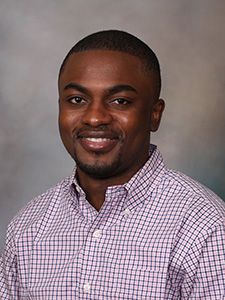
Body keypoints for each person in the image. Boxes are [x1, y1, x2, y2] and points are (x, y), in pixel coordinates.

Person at [0, 30, 224, 299]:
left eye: (120, 101)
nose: (94, 118)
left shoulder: (206, 228)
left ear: (154, 114)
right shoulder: (27, 228)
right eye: (77, 100)